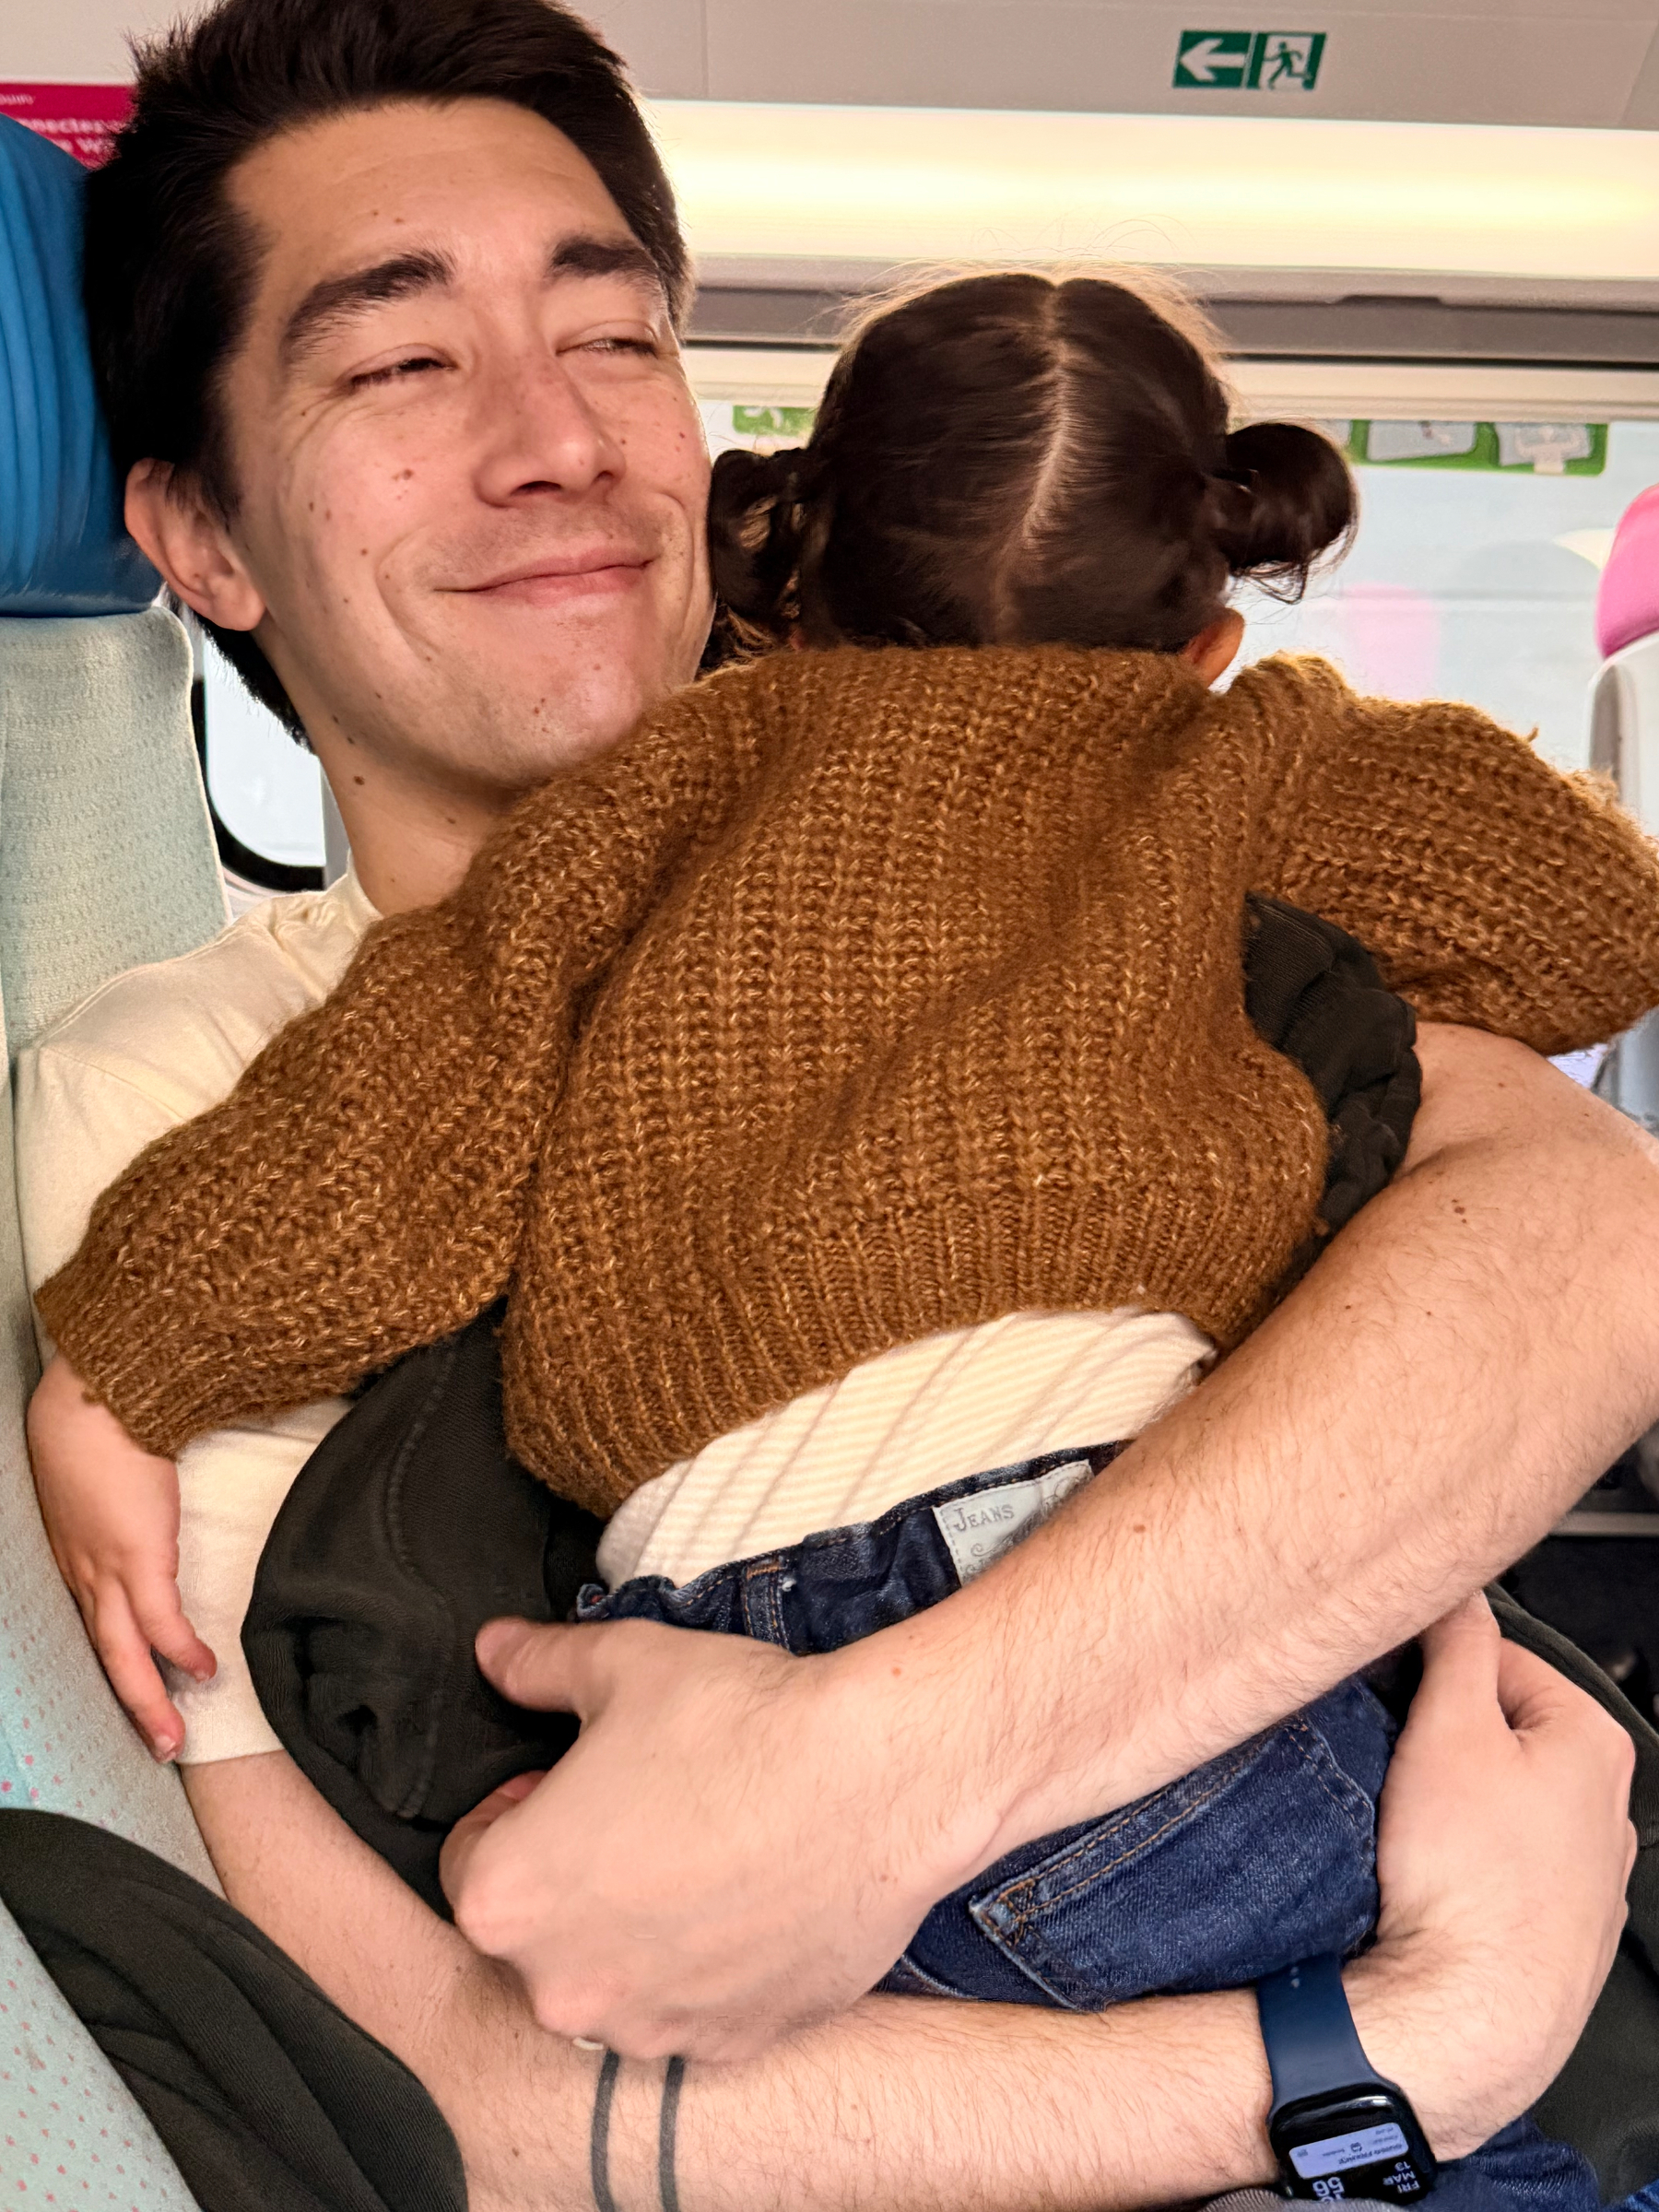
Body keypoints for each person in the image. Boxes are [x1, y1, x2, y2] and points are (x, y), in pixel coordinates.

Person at [14, 0, 1659, 2197]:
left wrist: (878, 1774)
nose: (555, 442)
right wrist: (1403, 2042)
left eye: (612, 342)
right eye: (400, 363)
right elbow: (452, 2095)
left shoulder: (1073, 829)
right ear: (200, 540)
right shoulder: (187, 1099)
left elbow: (1580, 1233)